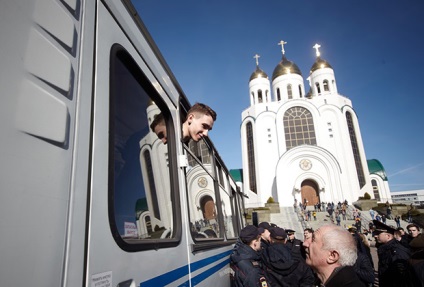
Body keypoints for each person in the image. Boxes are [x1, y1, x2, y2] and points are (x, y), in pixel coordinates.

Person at [373, 220, 418, 287]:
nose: (375, 236)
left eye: (378, 234)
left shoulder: (397, 251)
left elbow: (402, 277)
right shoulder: (386, 249)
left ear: (388, 236)